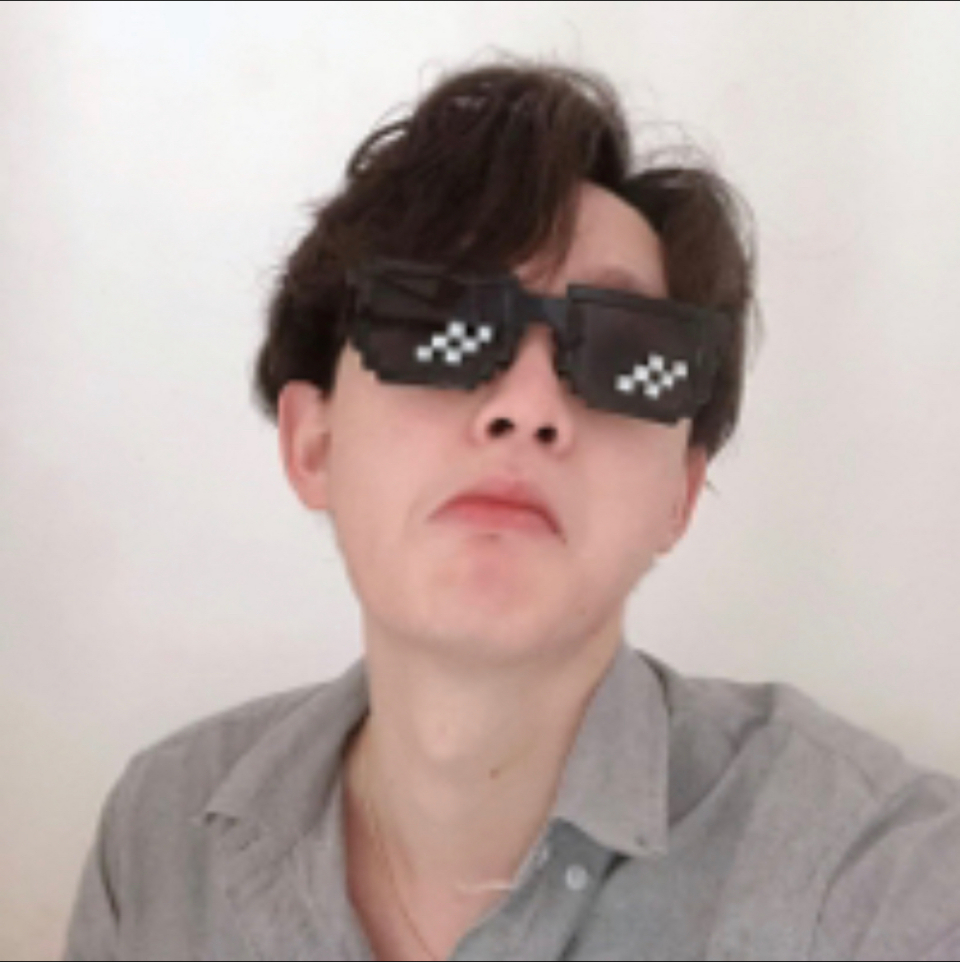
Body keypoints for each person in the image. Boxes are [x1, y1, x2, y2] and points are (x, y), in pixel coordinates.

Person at [63, 60, 960, 962]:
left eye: (625, 354)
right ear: (314, 444)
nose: (528, 407)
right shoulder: (160, 842)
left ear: (679, 496)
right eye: (439, 327)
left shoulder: (877, 882)